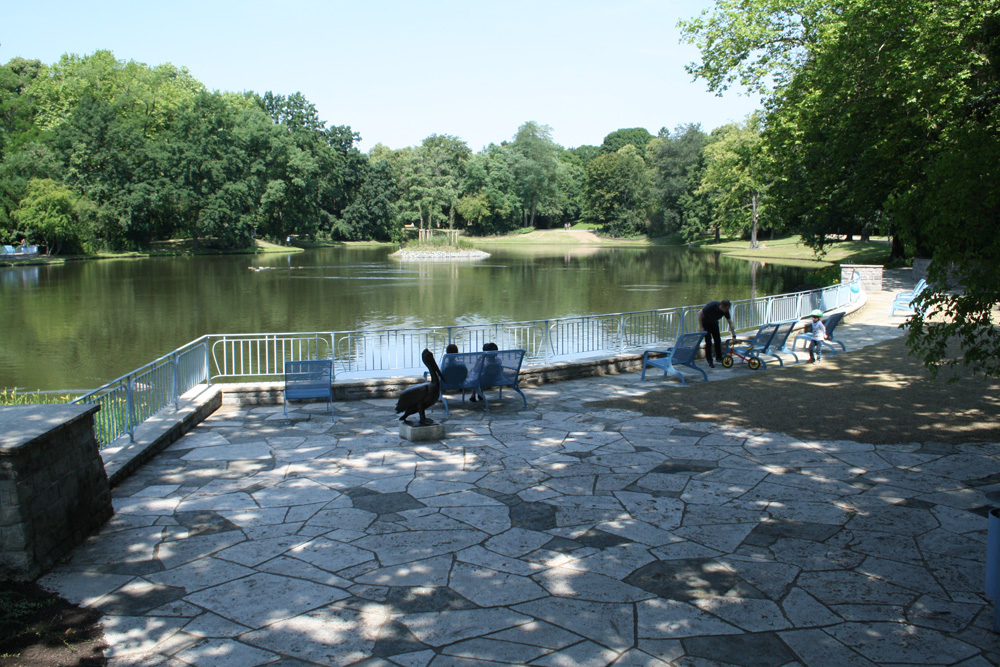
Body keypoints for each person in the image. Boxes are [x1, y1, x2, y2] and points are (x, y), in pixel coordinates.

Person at [698, 299, 735, 368]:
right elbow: (700, 313)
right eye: (727, 309)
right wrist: (701, 327)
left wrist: (734, 335)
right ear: (722, 306)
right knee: (708, 342)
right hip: (706, 323)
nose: (727, 310)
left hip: (714, 323)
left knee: (718, 340)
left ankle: (719, 358)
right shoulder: (712, 306)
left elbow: (730, 322)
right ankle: (709, 361)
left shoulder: (725, 311)